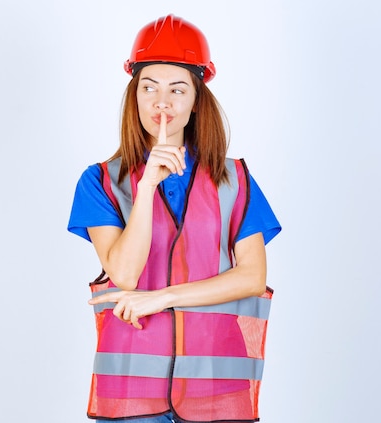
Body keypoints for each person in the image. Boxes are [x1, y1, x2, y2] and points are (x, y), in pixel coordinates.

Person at [67, 14, 281, 423]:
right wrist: (146, 187)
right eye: (149, 88)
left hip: (217, 384)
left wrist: (162, 298)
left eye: (177, 89)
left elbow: (252, 277)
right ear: (135, 97)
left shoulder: (234, 179)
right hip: (131, 390)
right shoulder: (100, 181)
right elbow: (125, 275)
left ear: (197, 99)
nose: (161, 102)